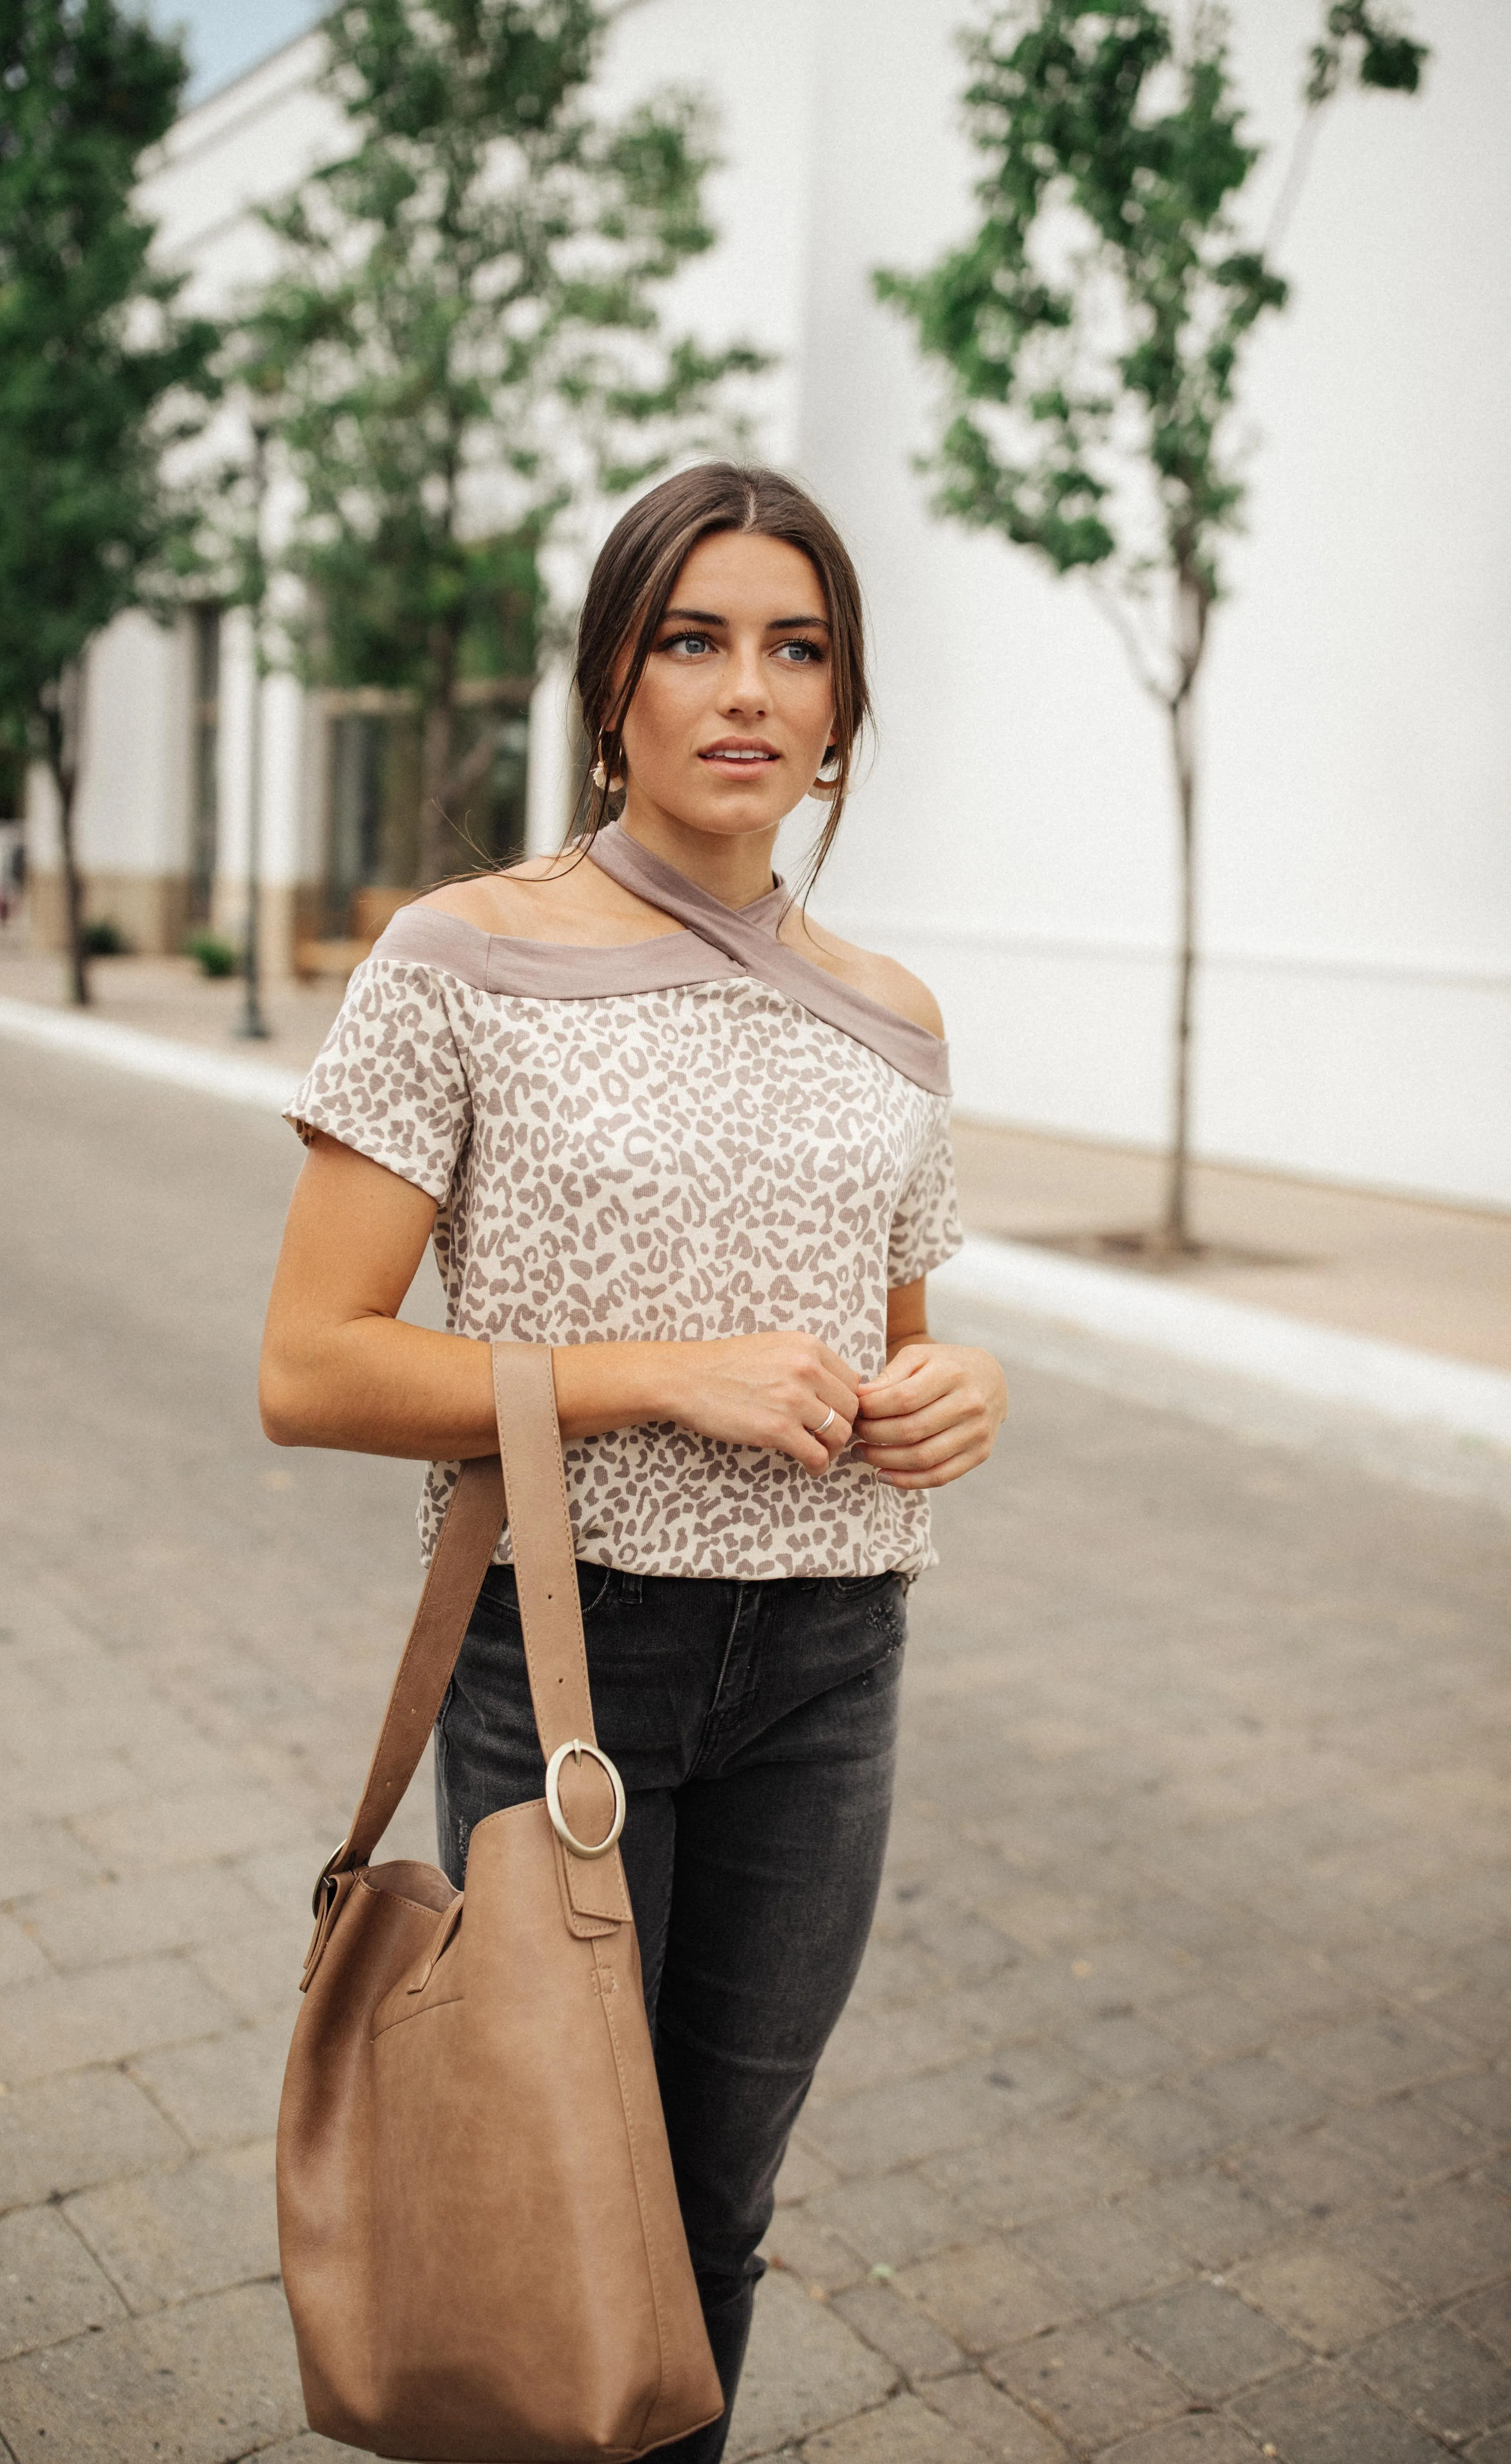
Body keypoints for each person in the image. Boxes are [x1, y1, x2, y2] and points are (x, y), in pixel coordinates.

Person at [260, 462, 1008, 2461]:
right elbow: (308, 1366)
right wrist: (654, 1375)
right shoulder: (459, 957)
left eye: (799, 648)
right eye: (693, 639)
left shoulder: (895, 1020)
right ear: (611, 680)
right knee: (561, 2213)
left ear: (844, 709)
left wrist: (953, 1405)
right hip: (568, 1656)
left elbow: (894, 1359)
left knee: (714, 2211)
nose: (746, 691)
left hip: (835, 1662)